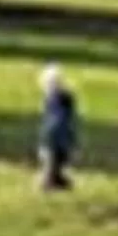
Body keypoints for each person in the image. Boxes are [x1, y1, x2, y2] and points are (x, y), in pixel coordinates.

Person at [34, 64, 80, 193]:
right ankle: (57, 179)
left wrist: (46, 138)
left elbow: (54, 123)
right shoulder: (65, 100)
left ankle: (50, 181)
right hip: (62, 137)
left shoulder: (55, 101)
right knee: (57, 161)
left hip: (55, 138)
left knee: (52, 161)